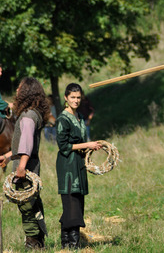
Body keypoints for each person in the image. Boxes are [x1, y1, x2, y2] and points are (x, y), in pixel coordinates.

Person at [0, 77, 50, 249]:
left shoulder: (28, 116)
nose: (16, 91)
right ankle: (37, 241)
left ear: (26, 92)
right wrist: (7, 156)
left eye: (19, 88)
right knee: (31, 202)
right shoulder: (32, 113)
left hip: (26, 167)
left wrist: (21, 167)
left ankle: (34, 243)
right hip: (28, 163)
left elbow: (27, 144)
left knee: (27, 205)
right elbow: (22, 144)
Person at [56, 83, 101, 249]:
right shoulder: (62, 119)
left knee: (77, 203)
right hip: (67, 165)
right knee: (71, 203)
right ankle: (72, 245)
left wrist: (90, 147)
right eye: (72, 97)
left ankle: (67, 245)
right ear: (66, 98)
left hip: (79, 163)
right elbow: (64, 146)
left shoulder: (80, 117)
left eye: (78, 97)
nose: (76, 100)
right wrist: (87, 145)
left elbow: (82, 142)